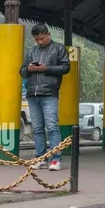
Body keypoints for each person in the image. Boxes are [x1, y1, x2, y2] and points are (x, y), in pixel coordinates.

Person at [19, 23, 70, 171]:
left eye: (42, 38)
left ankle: (56, 159)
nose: (39, 42)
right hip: (32, 94)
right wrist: (28, 69)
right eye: (36, 40)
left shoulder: (59, 49)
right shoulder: (31, 52)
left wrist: (46, 68)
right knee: (37, 128)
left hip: (49, 93)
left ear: (48, 34)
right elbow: (22, 71)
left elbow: (66, 67)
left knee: (52, 126)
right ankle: (41, 158)